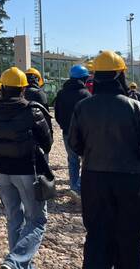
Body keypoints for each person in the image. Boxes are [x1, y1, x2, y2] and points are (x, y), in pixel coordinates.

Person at [69, 50, 140, 268]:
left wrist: (93, 153)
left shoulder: (83, 107)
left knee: (97, 237)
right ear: (120, 75)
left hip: (95, 178)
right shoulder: (135, 107)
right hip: (131, 181)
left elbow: (74, 144)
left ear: (95, 76)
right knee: (130, 239)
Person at [0, 67, 52, 269]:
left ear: (3, 87)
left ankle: (19, 264)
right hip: (26, 170)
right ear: (23, 88)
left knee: (13, 218)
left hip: (1, 171)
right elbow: (47, 142)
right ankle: (15, 261)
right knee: (37, 220)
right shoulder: (32, 110)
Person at [54, 64, 91, 203]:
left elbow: (57, 114)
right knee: (87, 161)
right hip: (83, 134)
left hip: (67, 133)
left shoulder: (61, 93)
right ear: (84, 78)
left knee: (72, 160)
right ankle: (79, 188)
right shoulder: (86, 94)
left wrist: (64, 125)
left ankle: (74, 187)